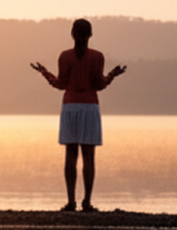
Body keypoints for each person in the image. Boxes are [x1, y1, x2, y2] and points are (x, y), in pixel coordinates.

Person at [32, 19, 126, 212]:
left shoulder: (65, 57)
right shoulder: (97, 57)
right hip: (90, 107)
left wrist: (45, 74)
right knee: (89, 157)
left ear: (72, 34)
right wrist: (112, 76)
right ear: (90, 35)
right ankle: (87, 202)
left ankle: (71, 202)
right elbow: (99, 85)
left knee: (70, 155)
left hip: (71, 106)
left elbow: (60, 84)